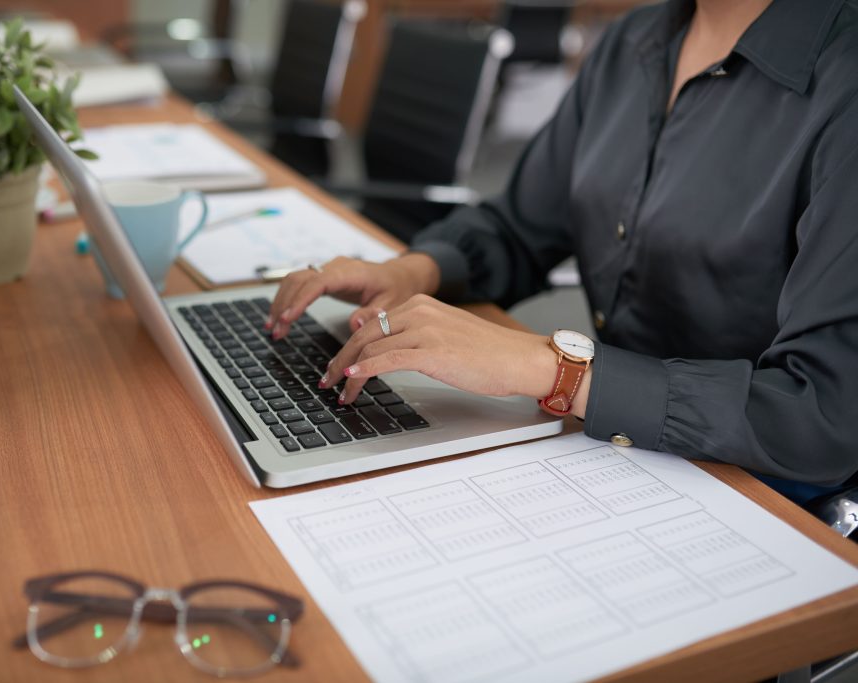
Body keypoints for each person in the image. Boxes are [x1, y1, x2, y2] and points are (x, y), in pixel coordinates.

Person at [265, 0, 858, 499]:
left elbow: (822, 416)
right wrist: (413, 271)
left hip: (755, 490)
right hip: (609, 448)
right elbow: (523, 224)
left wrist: (553, 370)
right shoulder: (635, 39)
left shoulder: (842, 81)